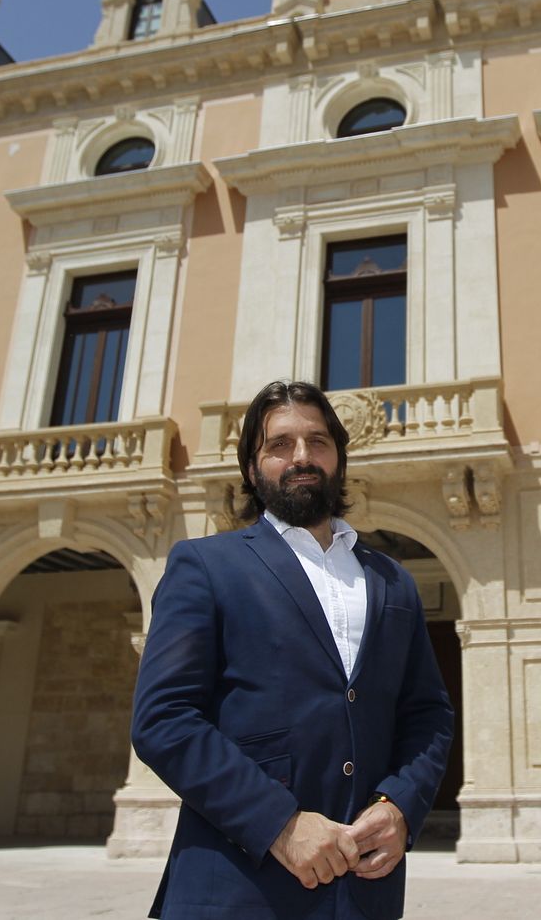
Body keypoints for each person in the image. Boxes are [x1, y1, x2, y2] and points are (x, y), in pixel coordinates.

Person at [132, 379, 455, 920]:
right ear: (253, 469)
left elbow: (427, 713)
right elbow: (163, 720)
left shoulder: (392, 581)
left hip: (364, 891)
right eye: (279, 444)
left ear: (339, 458)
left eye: (318, 441)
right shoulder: (206, 565)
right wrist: (280, 824)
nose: (302, 456)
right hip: (238, 887)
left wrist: (400, 804)